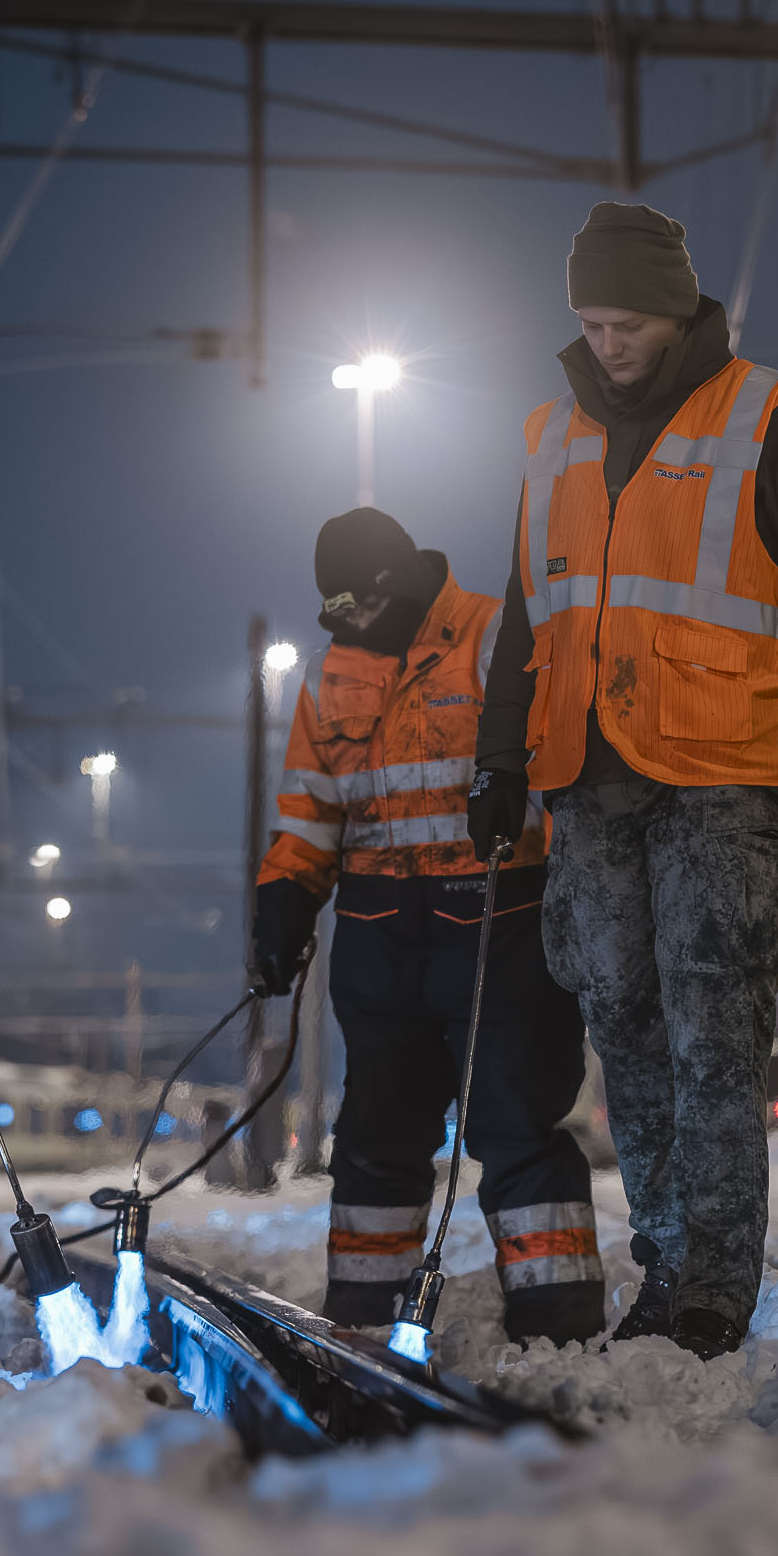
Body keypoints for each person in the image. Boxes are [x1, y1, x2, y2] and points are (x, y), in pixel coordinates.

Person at [469, 203, 778, 1359]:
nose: (606, 341)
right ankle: (665, 1254)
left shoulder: (774, 418)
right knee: (621, 1015)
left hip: (725, 773)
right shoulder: (548, 435)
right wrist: (498, 759)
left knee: (715, 1021)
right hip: (587, 778)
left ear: (676, 309)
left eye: (626, 321)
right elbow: (527, 608)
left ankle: (714, 1283)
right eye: (588, 321)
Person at [251, 508, 603, 1346]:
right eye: (338, 617)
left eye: (363, 611)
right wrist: (284, 899)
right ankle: (363, 1321)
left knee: (517, 1128)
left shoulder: (492, 638)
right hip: (380, 942)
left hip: (499, 929)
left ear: (398, 586)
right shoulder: (328, 677)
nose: (353, 632)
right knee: (376, 1138)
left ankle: (556, 1322)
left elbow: (564, 776)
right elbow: (309, 811)